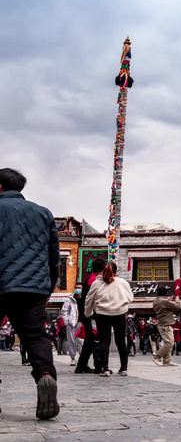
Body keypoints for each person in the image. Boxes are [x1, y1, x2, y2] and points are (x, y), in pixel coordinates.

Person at [0, 168, 60, 419]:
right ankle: (44, 375)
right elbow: (53, 256)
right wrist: (47, 287)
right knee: (35, 337)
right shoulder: (43, 212)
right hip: (32, 286)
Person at [85, 260, 133, 376]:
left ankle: (105, 368)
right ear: (116, 272)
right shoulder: (122, 282)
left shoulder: (97, 283)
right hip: (120, 314)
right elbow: (130, 297)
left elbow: (89, 299)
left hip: (102, 315)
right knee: (121, 342)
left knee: (104, 342)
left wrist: (88, 312)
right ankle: (123, 368)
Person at [75, 259, 105, 374]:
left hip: (88, 313)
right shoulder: (94, 280)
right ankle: (98, 365)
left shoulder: (89, 278)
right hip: (92, 314)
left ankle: (81, 365)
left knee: (90, 340)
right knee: (95, 339)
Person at [152, 288, 181, 367]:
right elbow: (177, 307)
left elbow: (166, 305)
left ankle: (167, 361)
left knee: (168, 342)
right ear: (166, 293)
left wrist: (169, 300)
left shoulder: (157, 301)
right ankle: (157, 356)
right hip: (165, 324)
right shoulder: (164, 301)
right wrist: (177, 300)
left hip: (164, 324)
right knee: (169, 343)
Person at [61, 282, 84, 366]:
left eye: (79, 288)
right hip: (71, 323)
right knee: (71, 341)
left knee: (81, 341)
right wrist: (66, 322)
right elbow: (64, 311)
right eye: (76, 287)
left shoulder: (86, 298)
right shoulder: (70, 299)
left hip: (82, 323)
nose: (77, 289)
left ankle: (82, 358)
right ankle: (73, 358)